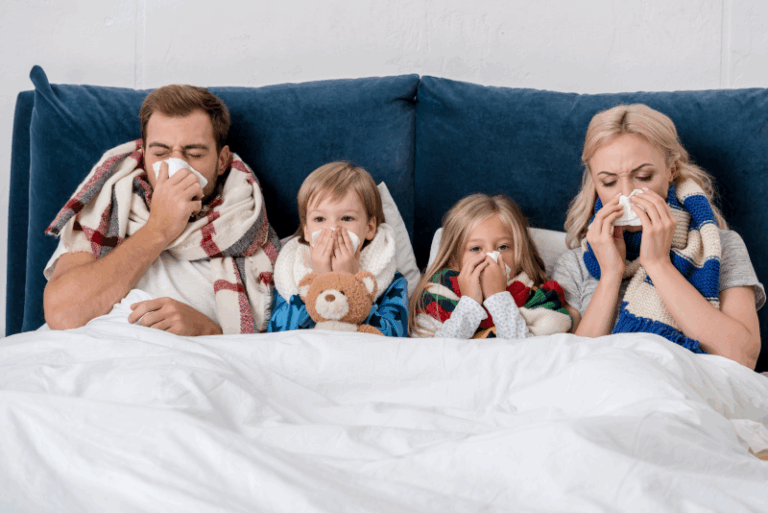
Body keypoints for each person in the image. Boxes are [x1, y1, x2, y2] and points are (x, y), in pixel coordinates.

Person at [43, 85, 280, 335]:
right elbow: (62, 315)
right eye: (161, 152)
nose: (177, 167)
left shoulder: (248, 227)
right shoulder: (105, 211)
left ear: (221, 161)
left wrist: (208, 331)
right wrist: (159, 228)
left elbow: (267, 345)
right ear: (144, 155)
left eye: (194, 153)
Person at [554, 103, 765, 369]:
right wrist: (610, 275)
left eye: (643, 176)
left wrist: (658, 264)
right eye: (608, 182)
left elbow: (742, 358)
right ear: (595, 183)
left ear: (671, 170)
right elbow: (571, 370)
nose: (627, 193)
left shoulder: (721, 246)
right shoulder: (575, 263)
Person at [267, 162, 408, 336]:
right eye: (319, 219)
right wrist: (322, 280)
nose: (333, 229)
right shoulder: (290, 273)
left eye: (347, 218)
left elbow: (394, 338)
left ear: (369, 228)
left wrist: (349, 283)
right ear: (307, 231)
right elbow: (278, 335)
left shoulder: (391, 279)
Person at [410, 194, 576, 339]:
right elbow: (437, 356)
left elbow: (526, 355)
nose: (491, 258)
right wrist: (470, 303)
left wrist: (498, 297)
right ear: (453, 260)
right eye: (476, 249)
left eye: (503, 247)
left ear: (520, 254)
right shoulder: (435, 300)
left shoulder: (541, 300)